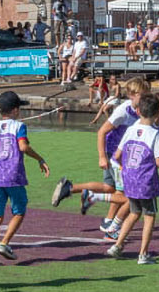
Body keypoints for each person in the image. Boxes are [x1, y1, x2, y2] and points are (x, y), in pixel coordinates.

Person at [50, 77, 150, 242]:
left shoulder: (140, 110)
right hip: (114, 155)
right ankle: (109, 225)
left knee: (109, 188)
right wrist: (102, 157)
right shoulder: (124, 111)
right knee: (122, 192)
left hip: (121, 155)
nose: (146, 98)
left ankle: (71, 188)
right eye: (142, 94)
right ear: (132, 94)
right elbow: (102, 132)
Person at [0, 91, 49, 265]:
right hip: (13, 176)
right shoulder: (19, 126)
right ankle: (4, 244)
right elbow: (23, 146)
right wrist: (40, 159)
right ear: (15, 110)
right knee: (19, 211)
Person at [108, 93, 159, 263]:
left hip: (130, 179)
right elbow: (158, 161)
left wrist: (125, 168)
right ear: (158, 112)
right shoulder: (154, 134)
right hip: (146, 181)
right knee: (149, 216)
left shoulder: (130, 130)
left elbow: (118, 154)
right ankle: (143, 254)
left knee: (134, 212)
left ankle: (117, 245)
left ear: (138, 111)